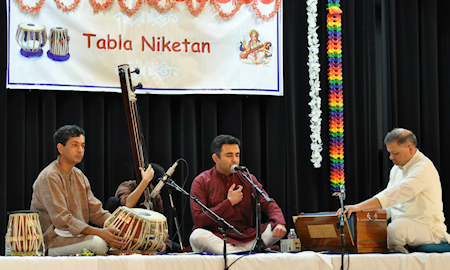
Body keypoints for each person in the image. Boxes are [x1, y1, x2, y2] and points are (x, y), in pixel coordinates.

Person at [338, 128, 450, 253]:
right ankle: (397, 247)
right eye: (390, 153)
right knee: (378, 229)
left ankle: (397, 250)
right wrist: (363, 214)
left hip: (428, 228)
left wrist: (358, 206)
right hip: (404, 228)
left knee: (394, 230)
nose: (391, 157)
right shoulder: (396, 169)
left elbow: (393, 195)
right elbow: (388, 207)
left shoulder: (424, 168)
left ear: (410, 149)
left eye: (395, 153)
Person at [30, 125, 126, 256]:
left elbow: (96, 212)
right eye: (75, 145)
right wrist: (99, 232)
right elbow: (62, 220)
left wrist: (121, 226)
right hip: (52, 241)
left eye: (83, 145)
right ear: (60, 148)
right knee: (99, 243)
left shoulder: (79, 175)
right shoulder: (50, 176)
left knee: (121, 241)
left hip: (77, 237)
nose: (80, 150)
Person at [189, 134, 287, 254]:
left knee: (274, 230)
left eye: (237, 155)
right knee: (197, 236)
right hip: (218, 237)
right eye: (229, 155)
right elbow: (199, 220)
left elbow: (268, 202)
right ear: (216, 158)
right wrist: (229, 203)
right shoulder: (201, 181)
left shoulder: (247, 178)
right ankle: (244, 252)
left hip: (246, 236)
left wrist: (280, 223)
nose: (235, 160)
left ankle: (235, 253)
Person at [104, 163, 180, 253]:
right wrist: (145, 182)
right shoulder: (126, 186)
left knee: (175, 247)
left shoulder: (156, 197)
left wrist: (163, 243)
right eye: (153, 186)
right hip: (123, 234)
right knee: (113, 201)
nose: (155, 190)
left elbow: (160, 225)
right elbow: (127, 205)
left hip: (144, 238)